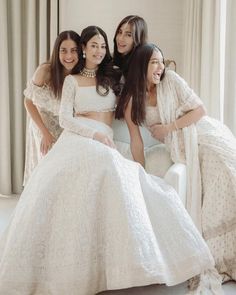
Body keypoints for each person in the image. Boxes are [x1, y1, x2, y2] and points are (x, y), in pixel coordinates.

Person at [0, 27, 222, 295]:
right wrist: (92, 134)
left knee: (121, 175)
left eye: (102, 46)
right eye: (93, 45)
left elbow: (139, 95)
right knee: (80, 174)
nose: (99, 50)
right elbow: (65, 119)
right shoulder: (72, 81)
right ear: (84, 48)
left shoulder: (113, 77)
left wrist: (160, 73)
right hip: (79, 137)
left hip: (103, 141)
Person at [116, 42, 236, 283]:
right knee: (220, 189)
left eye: (161, 61)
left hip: (205, 135)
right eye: (154, 62)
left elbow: (200, 110)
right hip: (185, 149)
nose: (161, 67)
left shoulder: (172, 81)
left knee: (230, 176)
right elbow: (136, 142)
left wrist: (169, 128)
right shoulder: (132, 100)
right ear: (141, 66)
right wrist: (142, 175)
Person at [23, 30, 81, 185]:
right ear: (57, 52)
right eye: (64, 50)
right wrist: (45, 133)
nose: (69, 56)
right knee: (46, 171)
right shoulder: (45, 71)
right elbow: (28, 102)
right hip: (42, 123)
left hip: (65, 125)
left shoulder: (81, 73)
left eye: (73, 50)